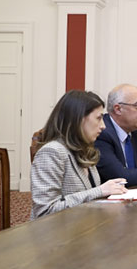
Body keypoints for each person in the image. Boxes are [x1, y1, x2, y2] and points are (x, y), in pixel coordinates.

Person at [30, 90, 128, 219]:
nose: (103, 126)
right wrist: (100, 191)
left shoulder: (85, 151)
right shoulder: (52, 152)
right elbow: (45, 211)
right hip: (59, 231)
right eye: (99, 118)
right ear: (78, 119)